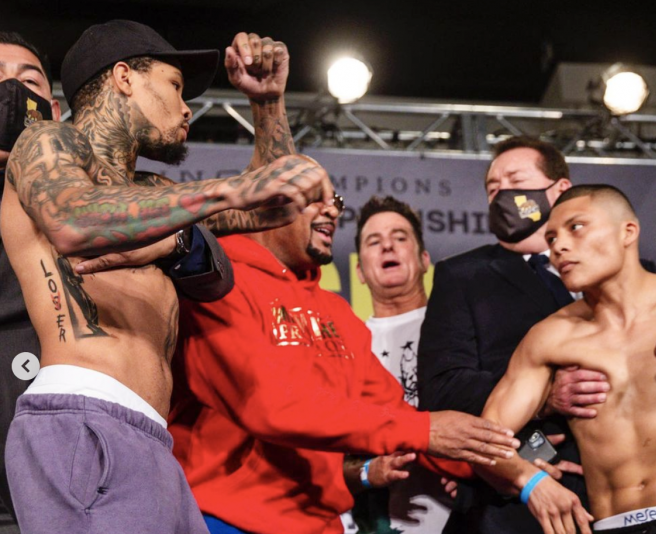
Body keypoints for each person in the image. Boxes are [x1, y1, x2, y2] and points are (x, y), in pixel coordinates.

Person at [167, 40, 520, 534]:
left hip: (323, 522)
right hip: (226, 520)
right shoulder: (219, 284)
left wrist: (520, 474)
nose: (331, 210)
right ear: (267, 204)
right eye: (314, 198)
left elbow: (391, 412)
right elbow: (268, 405)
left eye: (334, 200)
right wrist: (425, 430)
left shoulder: (337, 314)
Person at [1, 21, 337, 533]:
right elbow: (74, 219)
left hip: (150, 434)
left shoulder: (153, 191)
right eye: (175, 86)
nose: (186, 110)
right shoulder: (47, 142)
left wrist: (267, 103)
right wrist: (228, 190)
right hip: (82, 417)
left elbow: (275, 207)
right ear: (124, 78)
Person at [476, 185, 656, 534]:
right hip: (610, 525)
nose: (559, 247)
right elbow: (486, 439)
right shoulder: (551, 337)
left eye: (576, 227)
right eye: (551, 238)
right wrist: (530, 482)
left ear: (628, 232)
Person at [418, 137, 598, 533]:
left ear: (560, 190)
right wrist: (543, 399)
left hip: (625, 495)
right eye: (493, 188)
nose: (502, 194)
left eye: (516, 181)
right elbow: (442, 389)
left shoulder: (616, 272)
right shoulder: (463, 275)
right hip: (517, 497)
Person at [344, 195, 451, 533]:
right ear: (359, 271)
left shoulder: (460, 330)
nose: (387, 246)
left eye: (400, 237)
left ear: (424, 259)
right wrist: (367, 471)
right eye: (374, 242)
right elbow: (325, 462)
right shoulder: (345, 347)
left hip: (469, 516)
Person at [0, 30, 62, 534]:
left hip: (56, 494)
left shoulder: (89, 205)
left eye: (28, 81)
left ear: (54, 112)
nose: (11, 91)